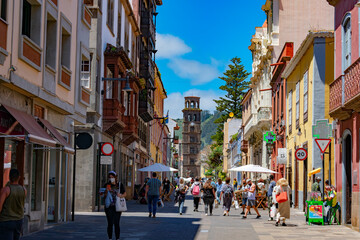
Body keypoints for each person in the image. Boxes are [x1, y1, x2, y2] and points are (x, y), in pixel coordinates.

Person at [0, 169, 27, 240]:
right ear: (19, 177)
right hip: (19, 220)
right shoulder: (24, 190)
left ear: (9, 177)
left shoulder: (6, 190)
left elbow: (0, 206)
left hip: (7, 220)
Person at [103, 171, 126, 240]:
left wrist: (120, 195)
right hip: (109, 207)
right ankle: (110, 238)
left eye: (112, 177)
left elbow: (125, 194)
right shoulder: (107, 185)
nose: (111, 179)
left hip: (117, 206)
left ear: (115, 177)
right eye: (110, 177)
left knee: (116, 223)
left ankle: (117, 238)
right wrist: (106, 191)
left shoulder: (119, 185)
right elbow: (103, 196)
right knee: (110, 223)